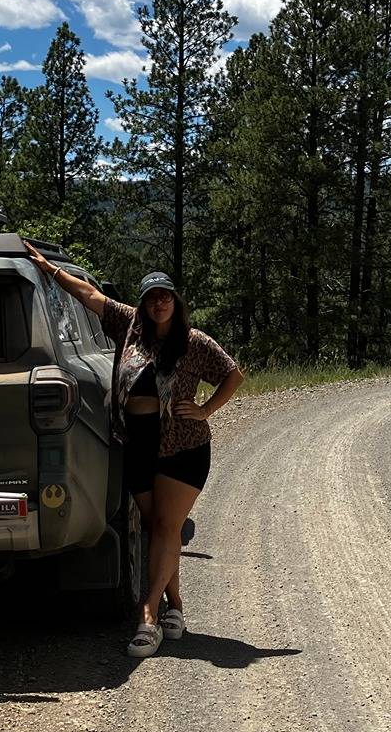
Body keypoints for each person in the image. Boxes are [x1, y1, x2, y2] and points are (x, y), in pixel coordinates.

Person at [24, 242, 244, 658]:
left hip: (184, 446)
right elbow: (89, 296)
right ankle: (176, 607)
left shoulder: (194, 341)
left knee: (165, 526)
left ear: (176, 302)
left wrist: (204, 410)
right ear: (143, 304)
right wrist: (49, 269)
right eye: (151, 297)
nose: (159, 303)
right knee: (156, 527)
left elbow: (233, 374)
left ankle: (149, 615)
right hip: (138, 443)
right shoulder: (129, 326)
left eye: (165, 296)